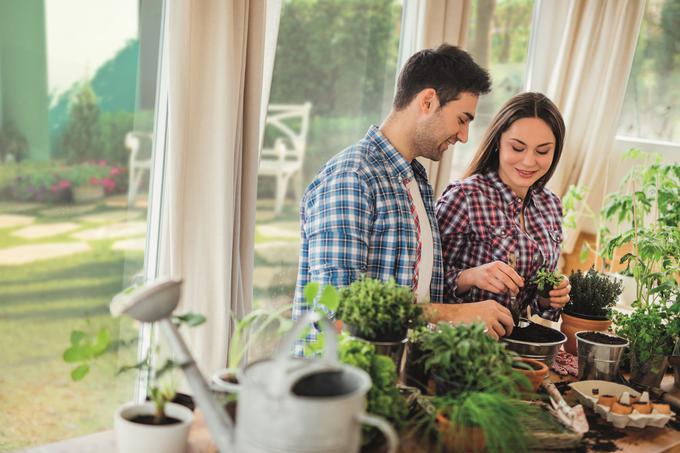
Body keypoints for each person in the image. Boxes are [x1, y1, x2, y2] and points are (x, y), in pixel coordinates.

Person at [293, 44, 516, 347]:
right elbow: (337, 314)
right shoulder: (352, 178)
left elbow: (416, 292)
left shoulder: (415, 180)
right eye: (462, 119)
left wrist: (465, 279)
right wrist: (454, 314)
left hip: (395, 374)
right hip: (343, 385)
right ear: (427, 101)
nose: (464, 136)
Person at [436, 92, 571, 324]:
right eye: (518, 148)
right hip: (462, 346)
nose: (529, 161)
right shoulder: (464, 197)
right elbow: (426, 286)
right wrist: (471, 277)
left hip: (517, 345)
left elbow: (530, 300)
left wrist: (548, 297)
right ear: (498, 141)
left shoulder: (551, 205)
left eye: (542, 151)